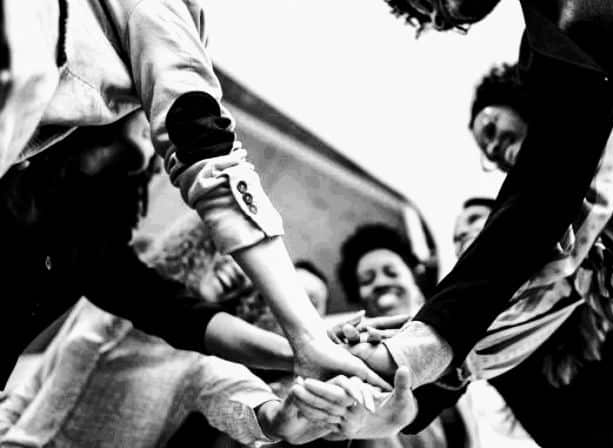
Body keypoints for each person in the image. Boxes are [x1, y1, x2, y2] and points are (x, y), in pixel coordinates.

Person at [0, 0, 383, 387]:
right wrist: (309, 336)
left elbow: (174, 312)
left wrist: (301, 350)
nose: (150, 111)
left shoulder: (89, 240)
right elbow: (204, 144)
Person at [366, 0, 613, 387]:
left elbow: (542, 199)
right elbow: (534, 292)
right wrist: (412, 353)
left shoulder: (592, 81)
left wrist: (427, 340)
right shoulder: (561, 237)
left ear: (521, 100)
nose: (493, 148)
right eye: (434, 16)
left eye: (491, 128)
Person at [0, 299, 362, 448]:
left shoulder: (199, 360)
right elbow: (34, 383)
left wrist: (273, 420)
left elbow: (236, 399)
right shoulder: (101, 303)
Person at [336, 223, 480, 448]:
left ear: (414, 278)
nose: (380, 283)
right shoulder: (354, 362)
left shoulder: (460, 347)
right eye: (366, 280)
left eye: (391, 272)